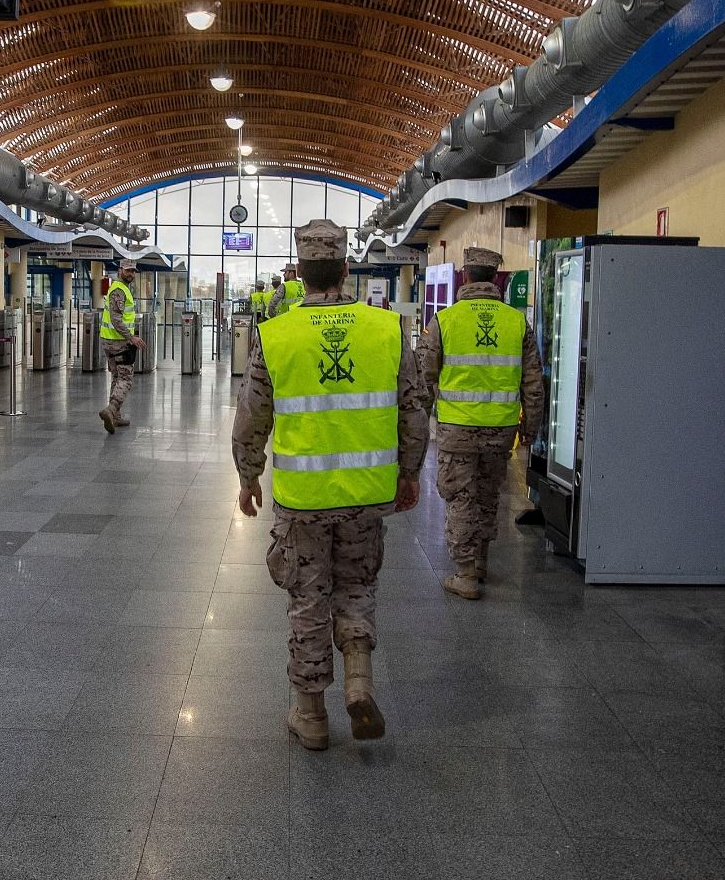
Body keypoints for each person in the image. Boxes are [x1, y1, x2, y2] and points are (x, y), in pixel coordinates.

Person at [232, 219, 429, 751]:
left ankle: (310, 714)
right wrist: (409, 473)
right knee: (358, 586)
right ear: (346, 270)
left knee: (307, 599)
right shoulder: (386, 329)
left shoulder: (276, 335)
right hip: (366, 493)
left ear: (300, 273)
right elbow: (414, 410)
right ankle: (359, 682)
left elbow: (252, 417)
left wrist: (248, 477)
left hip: (302, 500)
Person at [417, 246, 544, 600]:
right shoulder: (517, 322)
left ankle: (465, 574)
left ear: (465, 276)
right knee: (488, 496)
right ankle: (482, 561)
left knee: (461, 499)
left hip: (457, 430)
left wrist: (415, 429)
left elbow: (423, 379)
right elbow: (534, 382)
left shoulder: (445, 321)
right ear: (496, 279)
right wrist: (529, 429)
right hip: (501, 431)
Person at [98, 258, 145, 434]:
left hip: (110, 340)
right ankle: (110, 410)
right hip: (118, 342)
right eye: (128, 271)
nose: (131, 274)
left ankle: (115, 417)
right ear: (120, 271)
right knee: (126, 378)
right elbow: (117, 319)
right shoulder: (119, 290)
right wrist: (131, 337)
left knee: (117, 377)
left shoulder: (120, 289)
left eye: (133, 271)